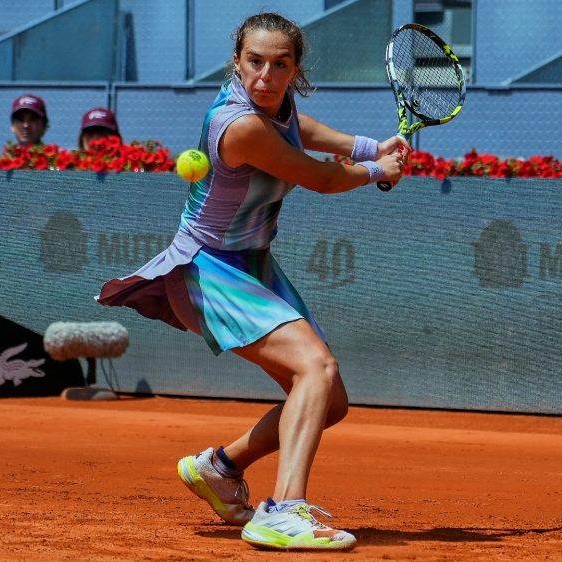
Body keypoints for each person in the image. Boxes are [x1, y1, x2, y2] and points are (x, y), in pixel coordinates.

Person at [97, 12, 407, 552]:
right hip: (207, 271)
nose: (265, 75)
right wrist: (377, 171)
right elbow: (321, 178)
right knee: (317, 366)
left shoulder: (277, 107)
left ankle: (220, 467)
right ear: (237, 62)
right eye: (254, 62)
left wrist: (366, 146)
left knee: (328, 400)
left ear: (295, 71)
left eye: (279, 65)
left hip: (253, 263)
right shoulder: (238, 124)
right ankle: (283, 512)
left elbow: (300, 129)